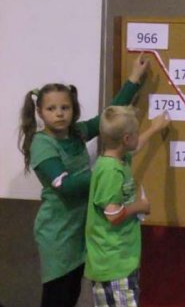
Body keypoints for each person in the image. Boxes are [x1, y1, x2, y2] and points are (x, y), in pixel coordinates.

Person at [18, 53, 150, 307]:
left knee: (72, 294)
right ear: (40, 112)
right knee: (59, 296)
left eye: (65, 108)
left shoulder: (76, 132)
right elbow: (66, 187)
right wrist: (106, 171)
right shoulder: (42, 144)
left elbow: (108, 119)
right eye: (51, 109)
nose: (59, 114)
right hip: (59, 234)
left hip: (82, 228)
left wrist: (134, 78)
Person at [84, 105, 169, 306]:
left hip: (119, 259)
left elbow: (136, 147)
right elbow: (113, 215)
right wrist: (140, 206)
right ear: (126, 139)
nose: (139, 136)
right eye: (137, 132)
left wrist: (154, 128)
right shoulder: (111, 172)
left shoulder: (117, 160)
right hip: (113, 263)